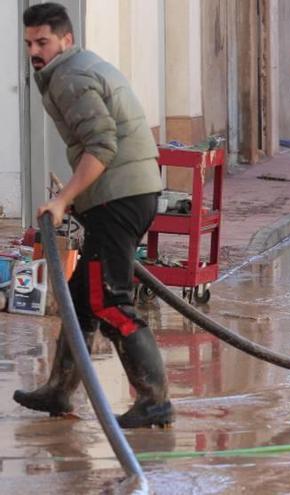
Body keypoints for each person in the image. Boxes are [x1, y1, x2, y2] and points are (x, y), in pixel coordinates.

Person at [14, 2, 173, 428]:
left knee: (107, 300)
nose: (35, 50)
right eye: (29, 42)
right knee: (82, 296)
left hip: (119, 197)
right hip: (127, 193)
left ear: (66, 40)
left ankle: (154, 399)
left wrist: (63, 198)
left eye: (43, 41)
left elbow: (101, 146)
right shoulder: (74, 68)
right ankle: (60, 389)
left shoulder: (70, 76)